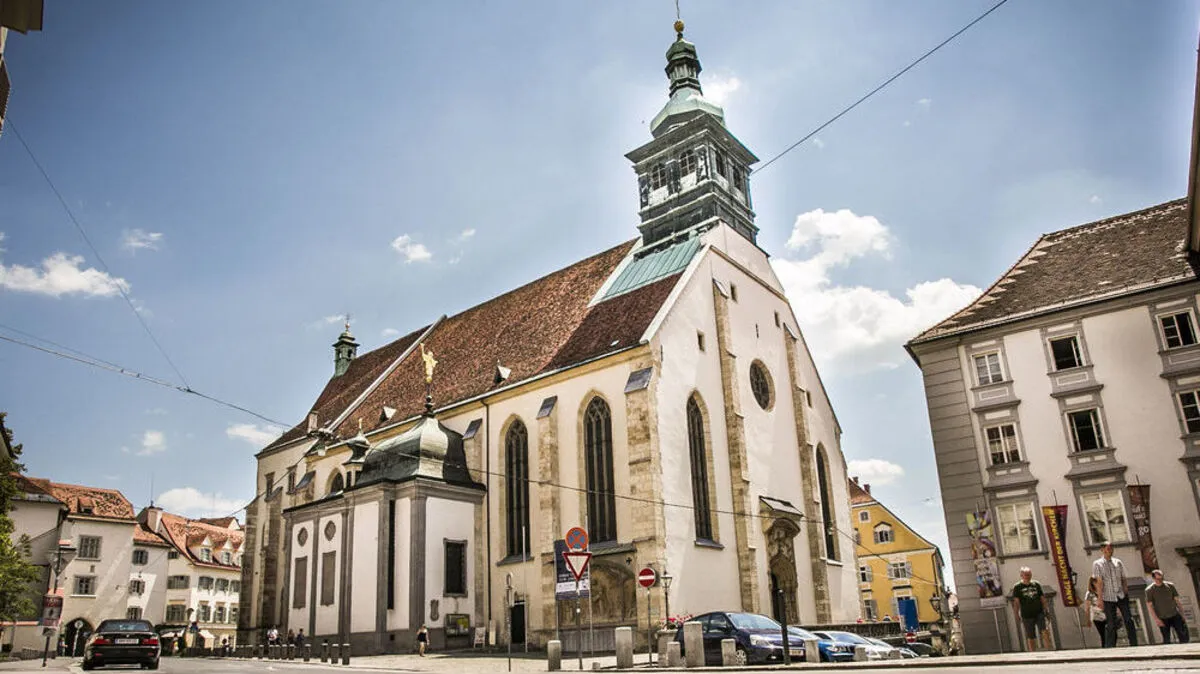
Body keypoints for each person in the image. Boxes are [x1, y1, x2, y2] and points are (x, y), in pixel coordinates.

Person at [1092, 543, 1137, 647]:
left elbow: (1123, 578)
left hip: (1121, 595)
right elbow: (1098, 582)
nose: (1110, 550)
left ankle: (1134, 643)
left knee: (1129, 619)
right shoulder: (1097, 564)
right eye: (1107, 548)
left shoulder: (1118, 562)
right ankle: (1110, 646)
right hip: (1108, 597)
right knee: (1111, 623)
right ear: (1102, 550)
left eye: (1111, 548)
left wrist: (1125, 590)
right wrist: (1100, 599)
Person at [1009, 566, 1053, 651]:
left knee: (1044, 630)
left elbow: (1042, 598)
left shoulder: (1036, 584)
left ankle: (1049, 650)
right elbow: (1016, 602)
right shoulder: (1017, 587)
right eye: (1026, 575)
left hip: (1039, 612)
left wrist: (1046, 611)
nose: (1028, 576)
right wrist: (1016, 614)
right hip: (1027, 614)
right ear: (1021, 575)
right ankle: (1032, 653)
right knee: (1030, 635)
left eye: (1029, 574)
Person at [1146, 569, 1190, 644]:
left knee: (1183, 636)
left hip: (1174, 614)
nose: (1160, 580)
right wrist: (1156, 619)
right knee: (1166, 639)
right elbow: (1150, 606)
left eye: (1161, 578)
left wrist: (1182, 614)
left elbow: (1177, 601)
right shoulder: (1149, 590)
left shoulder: (1170, 586)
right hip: (1162, 617)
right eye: (1158, 579)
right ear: (1153, 578)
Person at [1084, 577, 1107, 646]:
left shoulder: (1104, 591)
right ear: (1093, 583)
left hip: (1107, 614)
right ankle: (1106, 650)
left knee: (1111, 633)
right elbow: (1087, 607)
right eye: (1097, 582)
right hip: (1097, 617)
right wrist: (1088, 620)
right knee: (1103, 635)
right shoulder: (1089, 593)